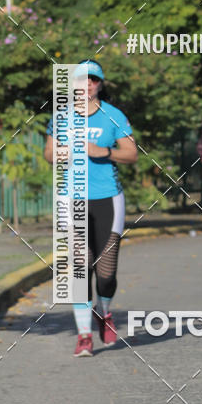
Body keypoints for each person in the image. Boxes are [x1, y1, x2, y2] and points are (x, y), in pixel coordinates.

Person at [44, 60, 138, 356]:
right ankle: (84, 334)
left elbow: (132, 153)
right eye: (81, 80)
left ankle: (104, 313)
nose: (86, 85)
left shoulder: (113, 116)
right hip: (70, 199)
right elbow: (48, 153)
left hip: (107, 197)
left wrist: (104, 151)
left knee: (106, 273)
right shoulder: (61, 118)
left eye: (93, 80)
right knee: (80, 267)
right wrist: (58, 153)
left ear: (100, 84)